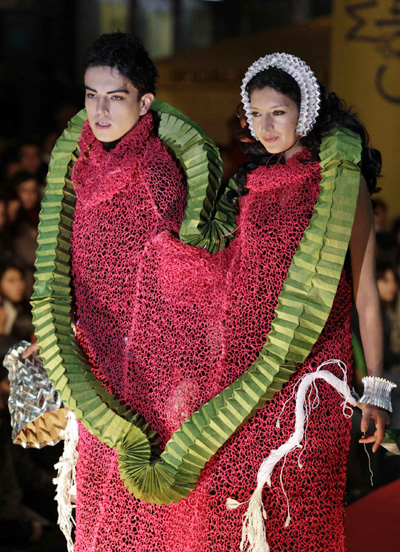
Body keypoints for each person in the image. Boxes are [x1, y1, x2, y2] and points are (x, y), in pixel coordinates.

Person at [23, 49, 395, 552]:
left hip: (309, 378)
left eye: (278, 113)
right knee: (229, 519)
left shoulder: (340, 188)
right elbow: (206, 277)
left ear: (304, 112)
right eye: (256, 113)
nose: (266, 126)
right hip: (240, 376)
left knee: (296, 513)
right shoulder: (243, 186)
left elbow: (366, 293)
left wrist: (375, 388)